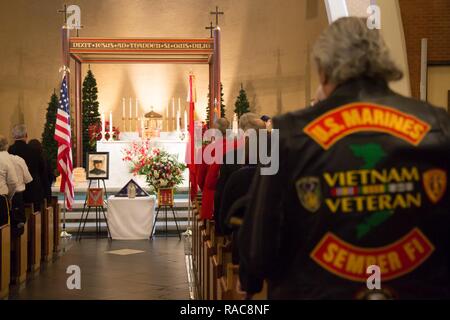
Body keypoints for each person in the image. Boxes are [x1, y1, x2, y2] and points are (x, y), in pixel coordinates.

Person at [238, 17, 450, 299]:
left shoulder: (287, 134)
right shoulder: (438, 124)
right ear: (384, 65)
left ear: (324, 71)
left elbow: (258, 252)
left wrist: (250, 283)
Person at [8, 124, 45, 212]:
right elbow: (42, 168)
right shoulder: (34, 151)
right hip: (33, 189)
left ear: (13, 136)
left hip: (15, 191)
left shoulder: (10, 151)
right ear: (26, 135)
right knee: (35, 217)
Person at [9, 152, 33, 236]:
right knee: (17, 226)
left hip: (4, 196)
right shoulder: (18, 159)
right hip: (16, 196)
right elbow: (28, 179)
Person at [0, 135, 18, 226]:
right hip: (1, 198)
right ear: (6, 146)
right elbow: (13, 182)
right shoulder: (6, 159)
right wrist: (9, 197)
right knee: (3, 232)